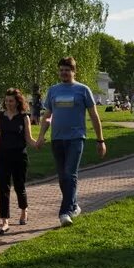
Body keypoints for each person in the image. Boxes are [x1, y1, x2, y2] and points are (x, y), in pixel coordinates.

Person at [35, 57, 106, 227]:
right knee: (62, 176)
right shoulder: (53, 91)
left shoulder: (83, 90)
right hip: (57, 138)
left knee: (69, 173)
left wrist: (100, 140)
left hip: (76, 138)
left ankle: (64, 212)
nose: (64, 73)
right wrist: (41, 135)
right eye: (61, 70)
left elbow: (94, 116)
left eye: (67, 70)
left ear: (74, 71)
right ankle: (73, 206)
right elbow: (47, 116)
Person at [0, 88, 37, 233]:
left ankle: (24, 210)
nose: (8, 103)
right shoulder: (0, 116)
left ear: (18, 102)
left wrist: (38, 143)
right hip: (3, 156)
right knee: (3, 189)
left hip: (19, 156)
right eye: (6, 101)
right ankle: (4, 221)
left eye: (11, 101)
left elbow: (28, 138)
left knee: (19, 186)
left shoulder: (24, 117)